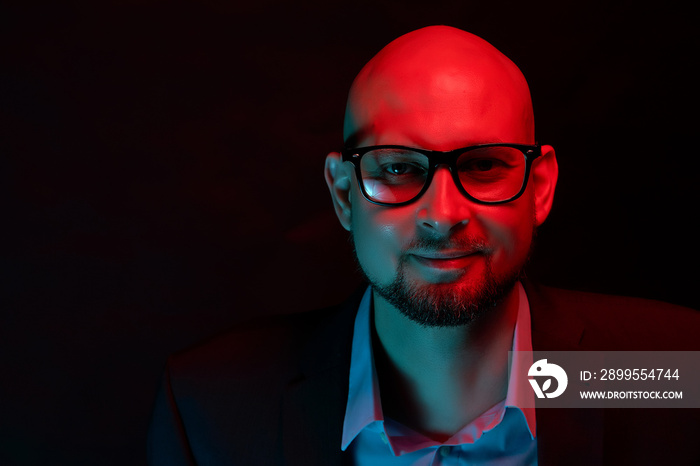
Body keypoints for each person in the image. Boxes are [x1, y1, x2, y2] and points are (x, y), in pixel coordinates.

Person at [147, 26, 699, 465]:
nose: (443, 215)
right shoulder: (210, 407)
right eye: (398, 168)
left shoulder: (676, 371)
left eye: (483, 166)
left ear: (541, 186)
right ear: (343, 194)